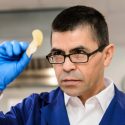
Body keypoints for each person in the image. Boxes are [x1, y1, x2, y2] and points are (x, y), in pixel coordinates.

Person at [0, 5, 125, 125]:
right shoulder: (31, 110)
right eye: (58, 53)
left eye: (79, 53)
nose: (66, 66)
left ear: (107, 55)